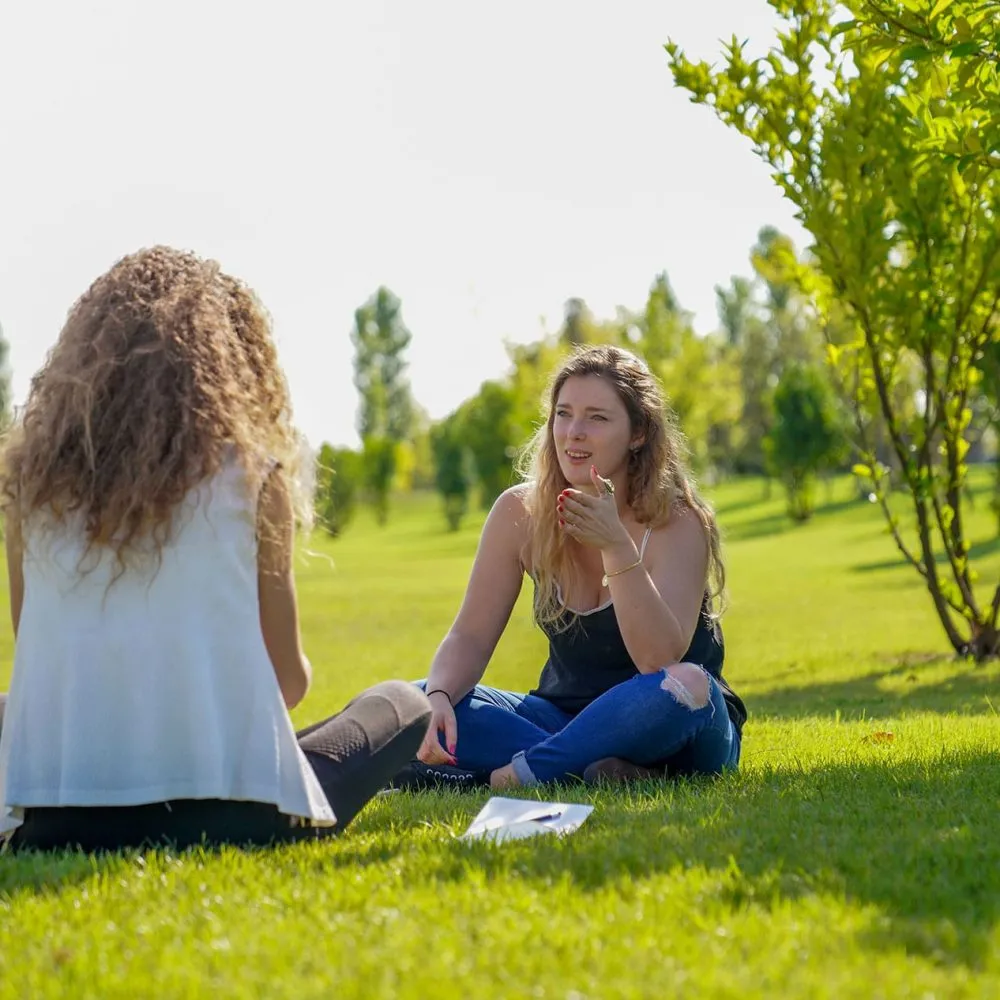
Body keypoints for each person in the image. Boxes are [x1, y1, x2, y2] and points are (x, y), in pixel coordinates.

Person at [0, 246, 431, 852]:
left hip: (54, 821)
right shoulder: (254, 478)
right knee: (402, 703)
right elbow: (287, 681)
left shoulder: (29, 488)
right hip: (232, 818)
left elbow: (44, 662)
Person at [398, 344, 746, 790]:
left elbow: (657, 661)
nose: (574, 432)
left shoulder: (677, 522)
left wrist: (616, 546)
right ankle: (594, 765)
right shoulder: (519, 513)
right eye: (563, 414)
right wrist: (441, 696)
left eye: (597, 418)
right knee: (413, 702)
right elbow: (469, 635)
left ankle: (519, 774)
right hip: (559, 717)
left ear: (638, 433)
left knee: (686, 686)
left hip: (676, 721)